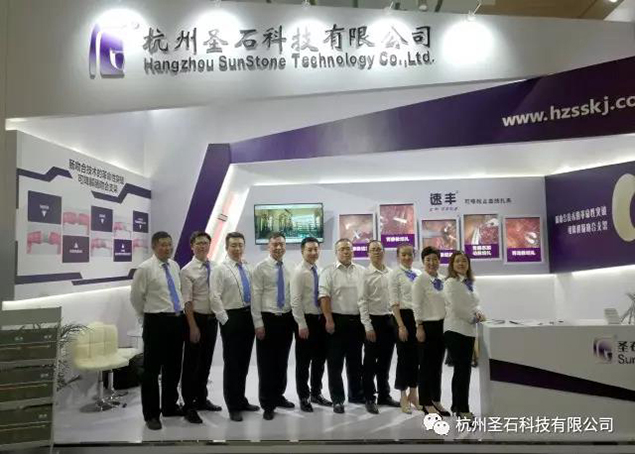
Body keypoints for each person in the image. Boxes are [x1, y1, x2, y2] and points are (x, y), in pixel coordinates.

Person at [130, 231, 184, 431]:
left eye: (169, 244)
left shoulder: (175, 265)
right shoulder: (145, 269)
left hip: (176, 321)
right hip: (156, 322)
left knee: (173, 367)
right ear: (154, 247)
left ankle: (169, 406)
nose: (167, 248)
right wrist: (146, 318)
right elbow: (136, 298)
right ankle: (151, 414)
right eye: (162, 244)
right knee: (151, 371)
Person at [209, 232, 259, 422]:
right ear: (226, 247)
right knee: (232, 364)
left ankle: (241, 400)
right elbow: (214, 297)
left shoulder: (248, 267)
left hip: (248, 316)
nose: (237, 249)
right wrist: (225, 320)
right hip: (232, 318)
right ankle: (233, 406)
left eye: (240, 245)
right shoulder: (220, 270)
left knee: (243, 363)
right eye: (233, 245)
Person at [251, 232, 295, 421]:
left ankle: (278, 395)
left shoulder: (290, 267)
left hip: (286, 319)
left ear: (285, 246)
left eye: (281, 244)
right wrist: (258, 323)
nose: (278, 247)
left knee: (282, 361)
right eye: (275, 244)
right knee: (266, 363)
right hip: (267, 319)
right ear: (268, 246)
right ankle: (267, 403)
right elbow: (255, 297)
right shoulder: (260, 268)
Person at [179, 231, 222, 425]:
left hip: (212, 320)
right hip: (196, 320)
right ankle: (189, 405)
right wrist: (193, 326)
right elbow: (187, 301)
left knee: (205, 363)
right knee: (191, 365)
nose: (202, 246)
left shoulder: (216, 267)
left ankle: (202, 399)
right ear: (192, 246)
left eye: (205, 243)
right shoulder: (187, 271)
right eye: (198, 243)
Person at [319, 238, 366, 414]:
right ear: (336, 252)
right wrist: (328, 319)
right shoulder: (329, 271)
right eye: (342, 249)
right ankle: (337, 399)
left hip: (357, 322)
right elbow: (324, 297)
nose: (346, 252)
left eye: (349, 249)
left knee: (355, 362)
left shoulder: (361, 271)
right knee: (335, 363)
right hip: (336, 321)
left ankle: (356, 394)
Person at [443, 250, 486, 420]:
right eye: (458, 261)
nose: (461, 264)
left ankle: (457, 406)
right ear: (452, 265)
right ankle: (463, 409)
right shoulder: (451, 283)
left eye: (464, 261)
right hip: (455, 330)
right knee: (463, 371)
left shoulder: (469, 282)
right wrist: (472, 318)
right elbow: (456, 307)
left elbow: (476, 303)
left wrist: (479, 312)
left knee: (462, 371)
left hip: (468, 330)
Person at [358, 240, 399, 414]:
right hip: (373, 322)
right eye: (373, 250)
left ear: (384, 252)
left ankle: (384, 394)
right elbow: (362, 302)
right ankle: (369, 397)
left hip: (389, 321)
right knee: (369, 362)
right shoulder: (364, 274)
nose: (376, 252)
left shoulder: (391, 273)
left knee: (385, 361)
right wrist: (368, 326)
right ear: (368, 253)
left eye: (379, 249)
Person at [290, 236, 331, 413]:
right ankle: (303, 396)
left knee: (319, 360)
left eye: (316, 249)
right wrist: (301, 324)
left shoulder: (320, 270)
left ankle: (316, 393)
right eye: (309, 249)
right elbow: (295, 300)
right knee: (303, 362)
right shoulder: (299, 272)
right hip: (305, 321)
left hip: (320, 320)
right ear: (302, 251)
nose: (313, 252)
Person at [413, 246, 450, 416]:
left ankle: (436, 399)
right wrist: (419, 326)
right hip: (427, 327)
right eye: (428, 259)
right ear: (423, 261)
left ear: (439, 261)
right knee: (426, 366)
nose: (431, 262)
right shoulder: (420, 280)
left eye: (435, 259)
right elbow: (416, 306)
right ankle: (425, 402)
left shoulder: (444, 279)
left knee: (437, 367)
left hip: (442, 326)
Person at [389, 243, 422, 414]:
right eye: (403, 254)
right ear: (398, 257)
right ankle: (402, 395)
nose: (407, 257)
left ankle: (413, 394)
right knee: (403, 358)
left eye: (410, 254)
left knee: (416, 358)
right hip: (402, 318)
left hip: (418, 318)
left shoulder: (418, 273)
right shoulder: (395, 274)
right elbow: (394, 302)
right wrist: (401, 326)